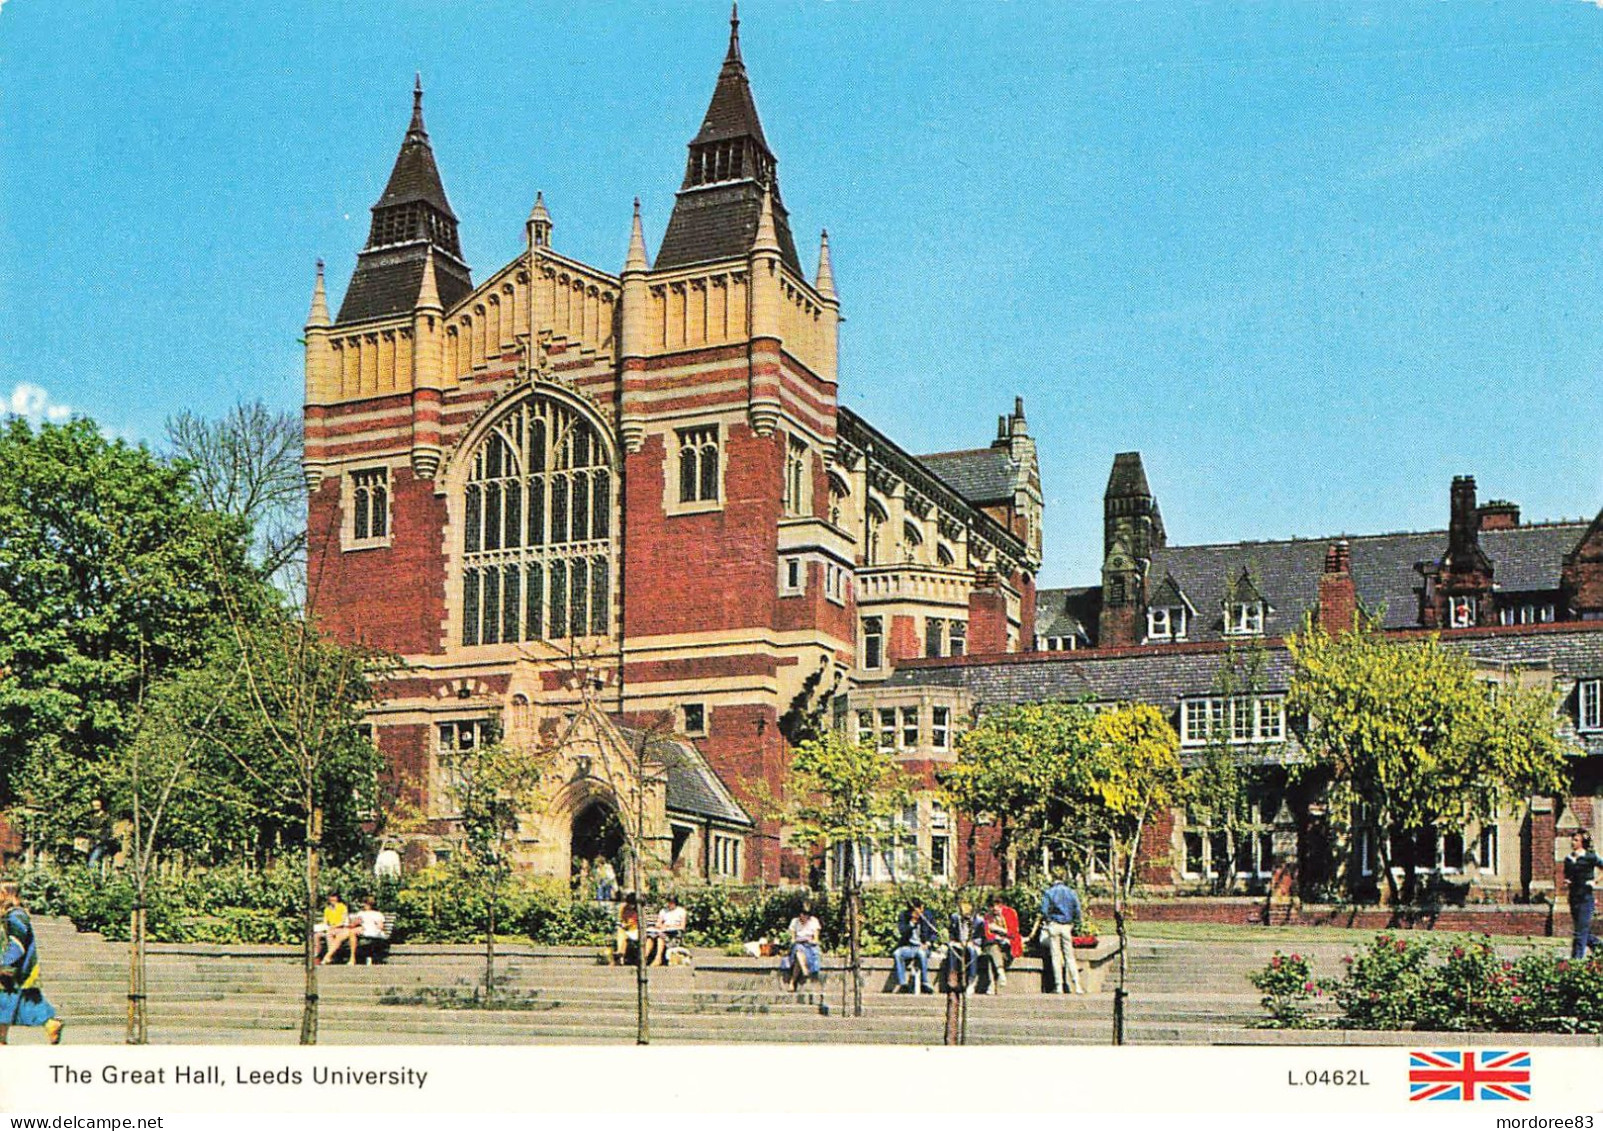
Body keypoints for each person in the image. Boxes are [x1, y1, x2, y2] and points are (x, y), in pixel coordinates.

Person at [0, 882, 63, 1044]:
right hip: (18, 971)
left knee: (4, 1001)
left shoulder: (16, 916)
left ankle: (1, 1040)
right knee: (25, 1001)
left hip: (13, 970)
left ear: (9, 894)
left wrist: (5, 964)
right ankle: (51, 1024)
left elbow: (17, 945)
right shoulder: (13, 915)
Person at [1040, 875, 1085, 994]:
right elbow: (1077, 910)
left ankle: (1059, 985)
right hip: (1066, 926)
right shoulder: (1071, 892)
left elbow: (1044, 910)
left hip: (1054, 925)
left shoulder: (1049, 892)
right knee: (1069, 957)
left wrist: (1048, 920)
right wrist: (1074, 923)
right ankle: (1077, 985)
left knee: (1056, 957)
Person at [1563, 832, 1603, 960]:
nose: (1572, 842)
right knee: (1581, 930)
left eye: (1575, 840)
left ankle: (1576, 961)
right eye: (1572, 839)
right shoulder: (1568, 859)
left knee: (1580, 932)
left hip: (1586, 897)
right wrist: (1568, 881)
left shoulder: (1590, 857)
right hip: (1574, 897)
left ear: (1582, 843)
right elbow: (1568, 875)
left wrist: (1595, 881)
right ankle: (1599, 947)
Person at [891, 899, 938, 993]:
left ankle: (925, 982)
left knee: (921, 953)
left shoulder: (927, 916)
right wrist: (912, 923)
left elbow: (934, 933)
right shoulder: (904, 916)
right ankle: (902, 983)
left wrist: (928, 943)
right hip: (910, 946)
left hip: (923, 947)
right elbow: (902, 932)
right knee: (897, 953)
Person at [982, 895, 1023, 992]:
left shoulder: (1010, 913)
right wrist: (996, 937)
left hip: (1009, 948)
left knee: (991, 957)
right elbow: (987, 935)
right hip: (995, 947)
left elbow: (1014, 933)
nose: (995, 908)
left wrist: (998, 929)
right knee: (992, 949)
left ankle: (992, 985)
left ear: (1002, 905)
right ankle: (1000, 973)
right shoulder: (988, 916)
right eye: (992, 906)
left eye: (997, 905)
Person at [781, 901, 822, 991]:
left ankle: (792, 982)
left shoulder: (814, 921)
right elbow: (792, 939)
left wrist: (809, 940)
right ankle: (804, 970)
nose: (805, 917)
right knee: (798, 950)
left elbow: (816, 940)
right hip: (798, 945)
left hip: (810, 946)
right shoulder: (794, 922)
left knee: (798, 960)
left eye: (807, 915)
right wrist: (798, 940)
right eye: (803, 915)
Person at [944, 900, 982, 996]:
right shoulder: (955, 918)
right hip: (959, 943)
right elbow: (952, 933)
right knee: (952, 950)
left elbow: (980, 937)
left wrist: (971, 942)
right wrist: (953, 941)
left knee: (972, 952)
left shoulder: (978, 921)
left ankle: (971, 980)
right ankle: (952, 976)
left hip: (972, 944)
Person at [645, 895, 688, 966]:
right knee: (650, 937)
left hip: (674, 932)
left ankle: (658, 958)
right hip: (663, 930)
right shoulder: (663, 911)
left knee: (660, 937)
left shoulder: (681, 911)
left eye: (672, 903)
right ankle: (644, 957)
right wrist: (662, 926)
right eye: (669, 903)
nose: (670, 904)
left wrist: (670, 926)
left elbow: (682, 927)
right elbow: (658, 923)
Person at [350, 896, 390, 965]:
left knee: (352, 933)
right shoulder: (365, 913)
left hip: (370, 932)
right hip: (370, 932)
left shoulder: (372, 914)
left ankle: (352, 957)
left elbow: (380, 926)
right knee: (352, 932)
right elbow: (355, 923)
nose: (364, 906)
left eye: (365, 904)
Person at [320, 893, 355, 966]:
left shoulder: (342, 907)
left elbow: (344, 921)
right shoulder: (327, 909)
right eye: (331, 899)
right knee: (328, 934)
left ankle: (328, 956)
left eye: (334, 898)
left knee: (338, 936)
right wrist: (327, 927)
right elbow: (325, 921)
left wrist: (335, 926)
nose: (332, 900)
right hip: (331, 928)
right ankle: (331, 957)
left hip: (342, 928)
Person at [614, 894, 641, 966]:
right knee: (621, 931)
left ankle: (620, 955)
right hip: (627, 930)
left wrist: (628, 925)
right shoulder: (624, 908)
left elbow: (639, 923)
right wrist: (623, 924)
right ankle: (620, 953)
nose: (630, 906)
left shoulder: (639, 910)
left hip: (637, 931)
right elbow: (621, 921)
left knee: (624, 935)